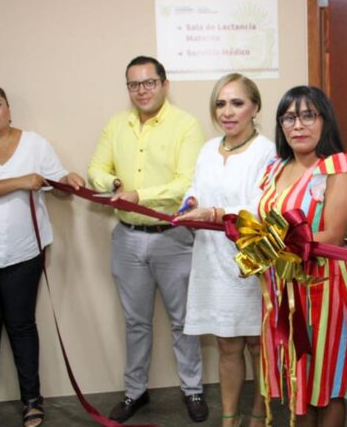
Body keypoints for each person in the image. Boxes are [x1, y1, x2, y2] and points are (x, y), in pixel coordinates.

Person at [87, 56, 208, 423]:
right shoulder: (116, 124)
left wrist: (140, 195)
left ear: (164, 84)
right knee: (135, 322)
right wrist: (113, 186)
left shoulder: (186, 125)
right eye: (134, 84)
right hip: (126, 238)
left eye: (149, 83)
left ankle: (193, 390)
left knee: (182, 321)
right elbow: (96, 169)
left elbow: (187, 182)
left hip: (172, 236)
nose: (141, 91)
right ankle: (135, 392)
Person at [0, 83, 85, 427]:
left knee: (23, 327)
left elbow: (54, 182)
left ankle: (32, 399)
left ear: (9, 109)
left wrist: (68, 182)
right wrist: (18, 181)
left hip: (23, 251)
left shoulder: (35, 144)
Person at [257, 86, 347, 427]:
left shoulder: (339, 166)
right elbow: (259, 220)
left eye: (308, 115)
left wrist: (267, 244)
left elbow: (333, 233)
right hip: (279, 289)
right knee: (297, 379)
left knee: (328, 378)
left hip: (323, 288)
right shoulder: (275, 167)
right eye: (289, 117)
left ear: (324, 121)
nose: (298, 125)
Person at [174, 73, 274, 427]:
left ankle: (259, 414)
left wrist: (217, 213)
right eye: (220, 103)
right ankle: (229, 418)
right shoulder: (207, 148)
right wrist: (190, 203)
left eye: (237, 103)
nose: (227, 112)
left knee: (257, 344)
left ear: (255, 107)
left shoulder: (268, 151)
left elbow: (263, 207)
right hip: (211, 259)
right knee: (227, 344)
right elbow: (197, 189)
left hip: (250, 260)